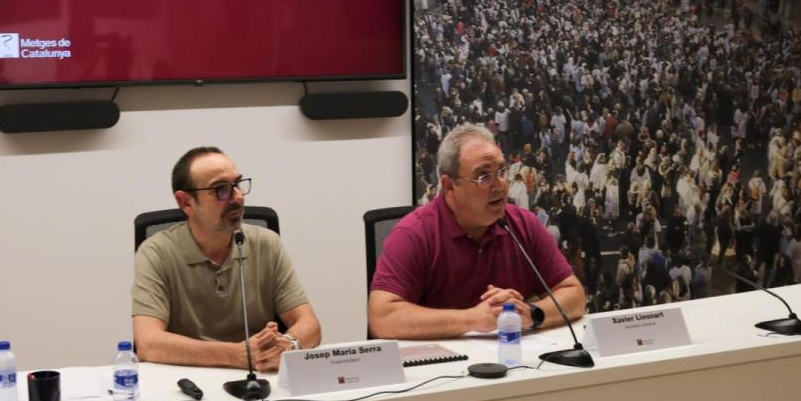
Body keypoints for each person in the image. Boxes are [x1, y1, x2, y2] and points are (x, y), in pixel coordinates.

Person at [368, 124, 585, 339]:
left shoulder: (523, 225)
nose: (499, 185)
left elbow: (574, 295)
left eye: (501, 171)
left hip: (512, 360)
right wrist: (473, 319)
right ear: (449, 186)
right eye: (483, 176)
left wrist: (530, 314)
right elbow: (382, 318)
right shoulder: (414, 233)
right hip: (441, 367)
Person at [132, 147, 321, 371]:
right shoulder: (156, 252)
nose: (238, 197)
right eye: (221, 189)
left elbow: (310, 325)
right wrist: (235, 354)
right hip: (187, 384)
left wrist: (288, 345)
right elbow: (148, 343)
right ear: (186, 203)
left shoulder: (266, 243)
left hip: (259, 381)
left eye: (238, 184)